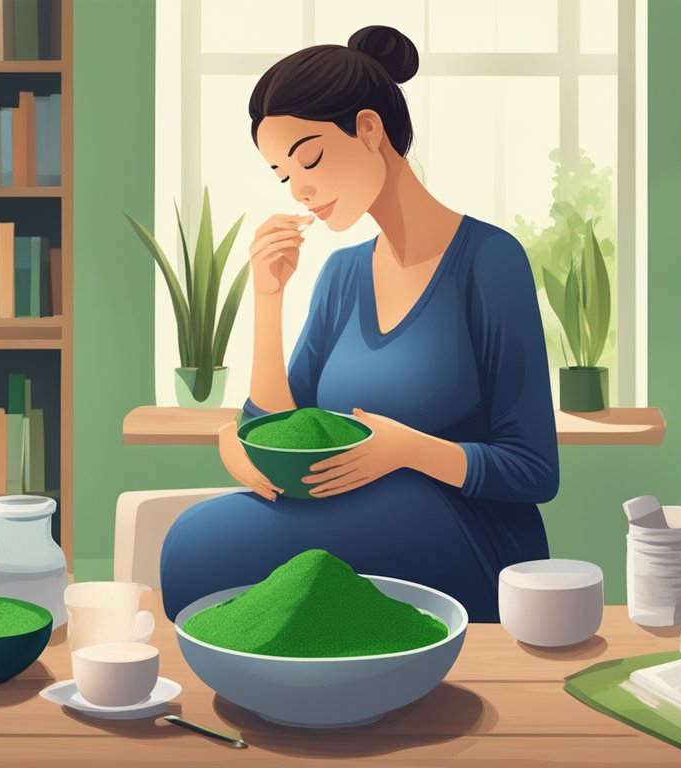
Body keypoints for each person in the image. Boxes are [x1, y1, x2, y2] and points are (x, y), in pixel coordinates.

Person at [160, 25, 559, 622]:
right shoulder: (344, 274)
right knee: (191, 545)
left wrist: (406, 450)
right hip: (344, 514)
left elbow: (533, 470)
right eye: (283, 175)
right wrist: (268, 297)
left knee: (204, 553)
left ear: (369, 130)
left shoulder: (489, 261)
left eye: (310, 158)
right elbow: (277, 427)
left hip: (467, 532)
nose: (301, 191)